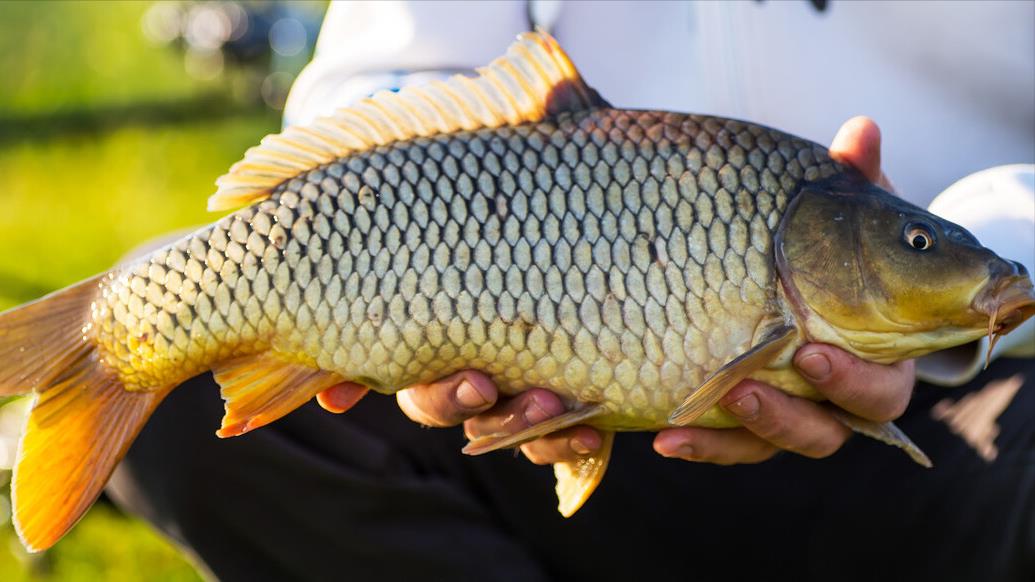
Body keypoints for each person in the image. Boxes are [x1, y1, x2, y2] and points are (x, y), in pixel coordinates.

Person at [108, 2, 1035, 581]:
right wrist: (410, 295)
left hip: (969, 411)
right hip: (555, 418)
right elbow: (384, 74)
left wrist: (980, 253)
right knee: (171, 383)